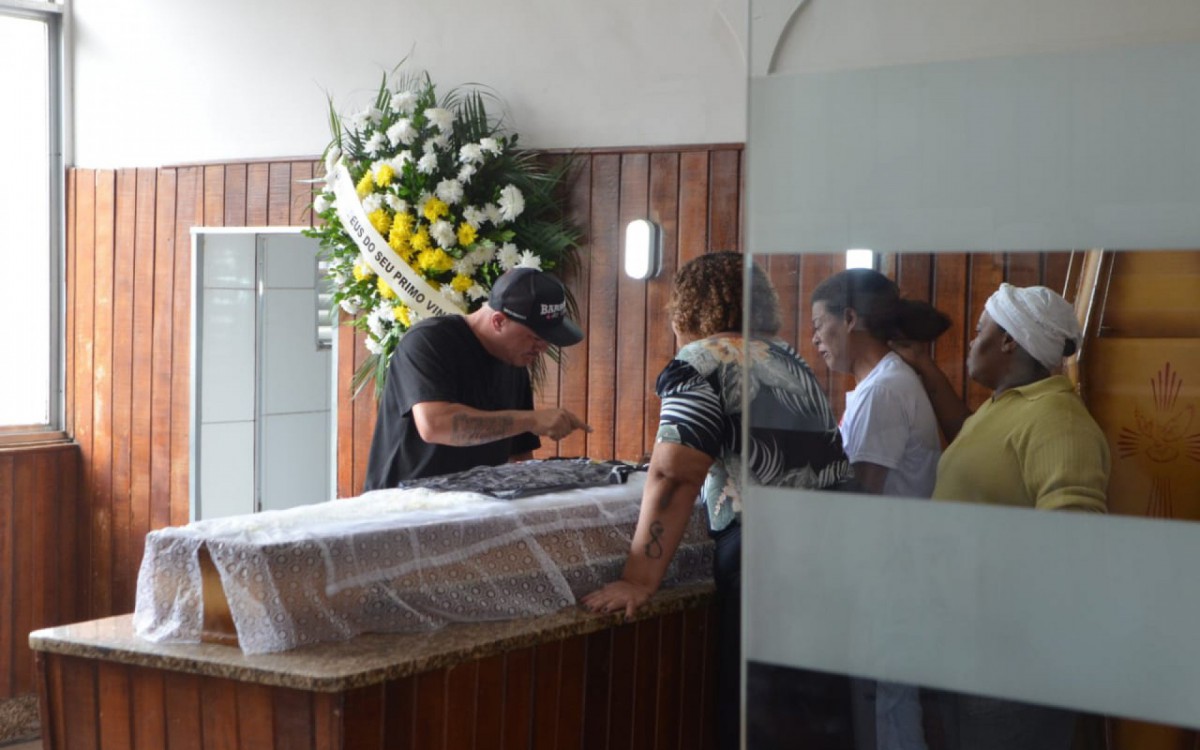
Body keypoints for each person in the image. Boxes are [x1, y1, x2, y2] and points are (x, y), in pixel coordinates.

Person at [583, 251, 853, 750]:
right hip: (833, 556)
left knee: (760, 724)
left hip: (770, 564)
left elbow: (673, 472)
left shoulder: (704, 360)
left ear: (685, 310)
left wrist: (637, 579)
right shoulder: (791, 361)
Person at [894, 282, 1110, 750]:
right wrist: (926, 368)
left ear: (1009, 338)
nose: (972, 342)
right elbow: (969, 438)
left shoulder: (1057, 418)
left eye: (979, 331)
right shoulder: (1005, 411)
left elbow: (1072, 542)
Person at [811, 268, 951, 750]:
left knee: (887, 704)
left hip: (889, 572)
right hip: (893, 569)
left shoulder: (885, 389)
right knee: (888, 700)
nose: (815, 340)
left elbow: (862, 495)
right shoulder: (885, 383)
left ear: (849, 319)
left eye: (819, 325)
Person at [363, 267, 591, 488]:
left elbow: (520, 458)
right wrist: (532, 420)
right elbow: (435, 425)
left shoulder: (514, 360)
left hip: (474, 509)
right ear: (499, 321)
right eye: (536, 338)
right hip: (404, 508)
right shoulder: (428, 341)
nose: (542, 349)